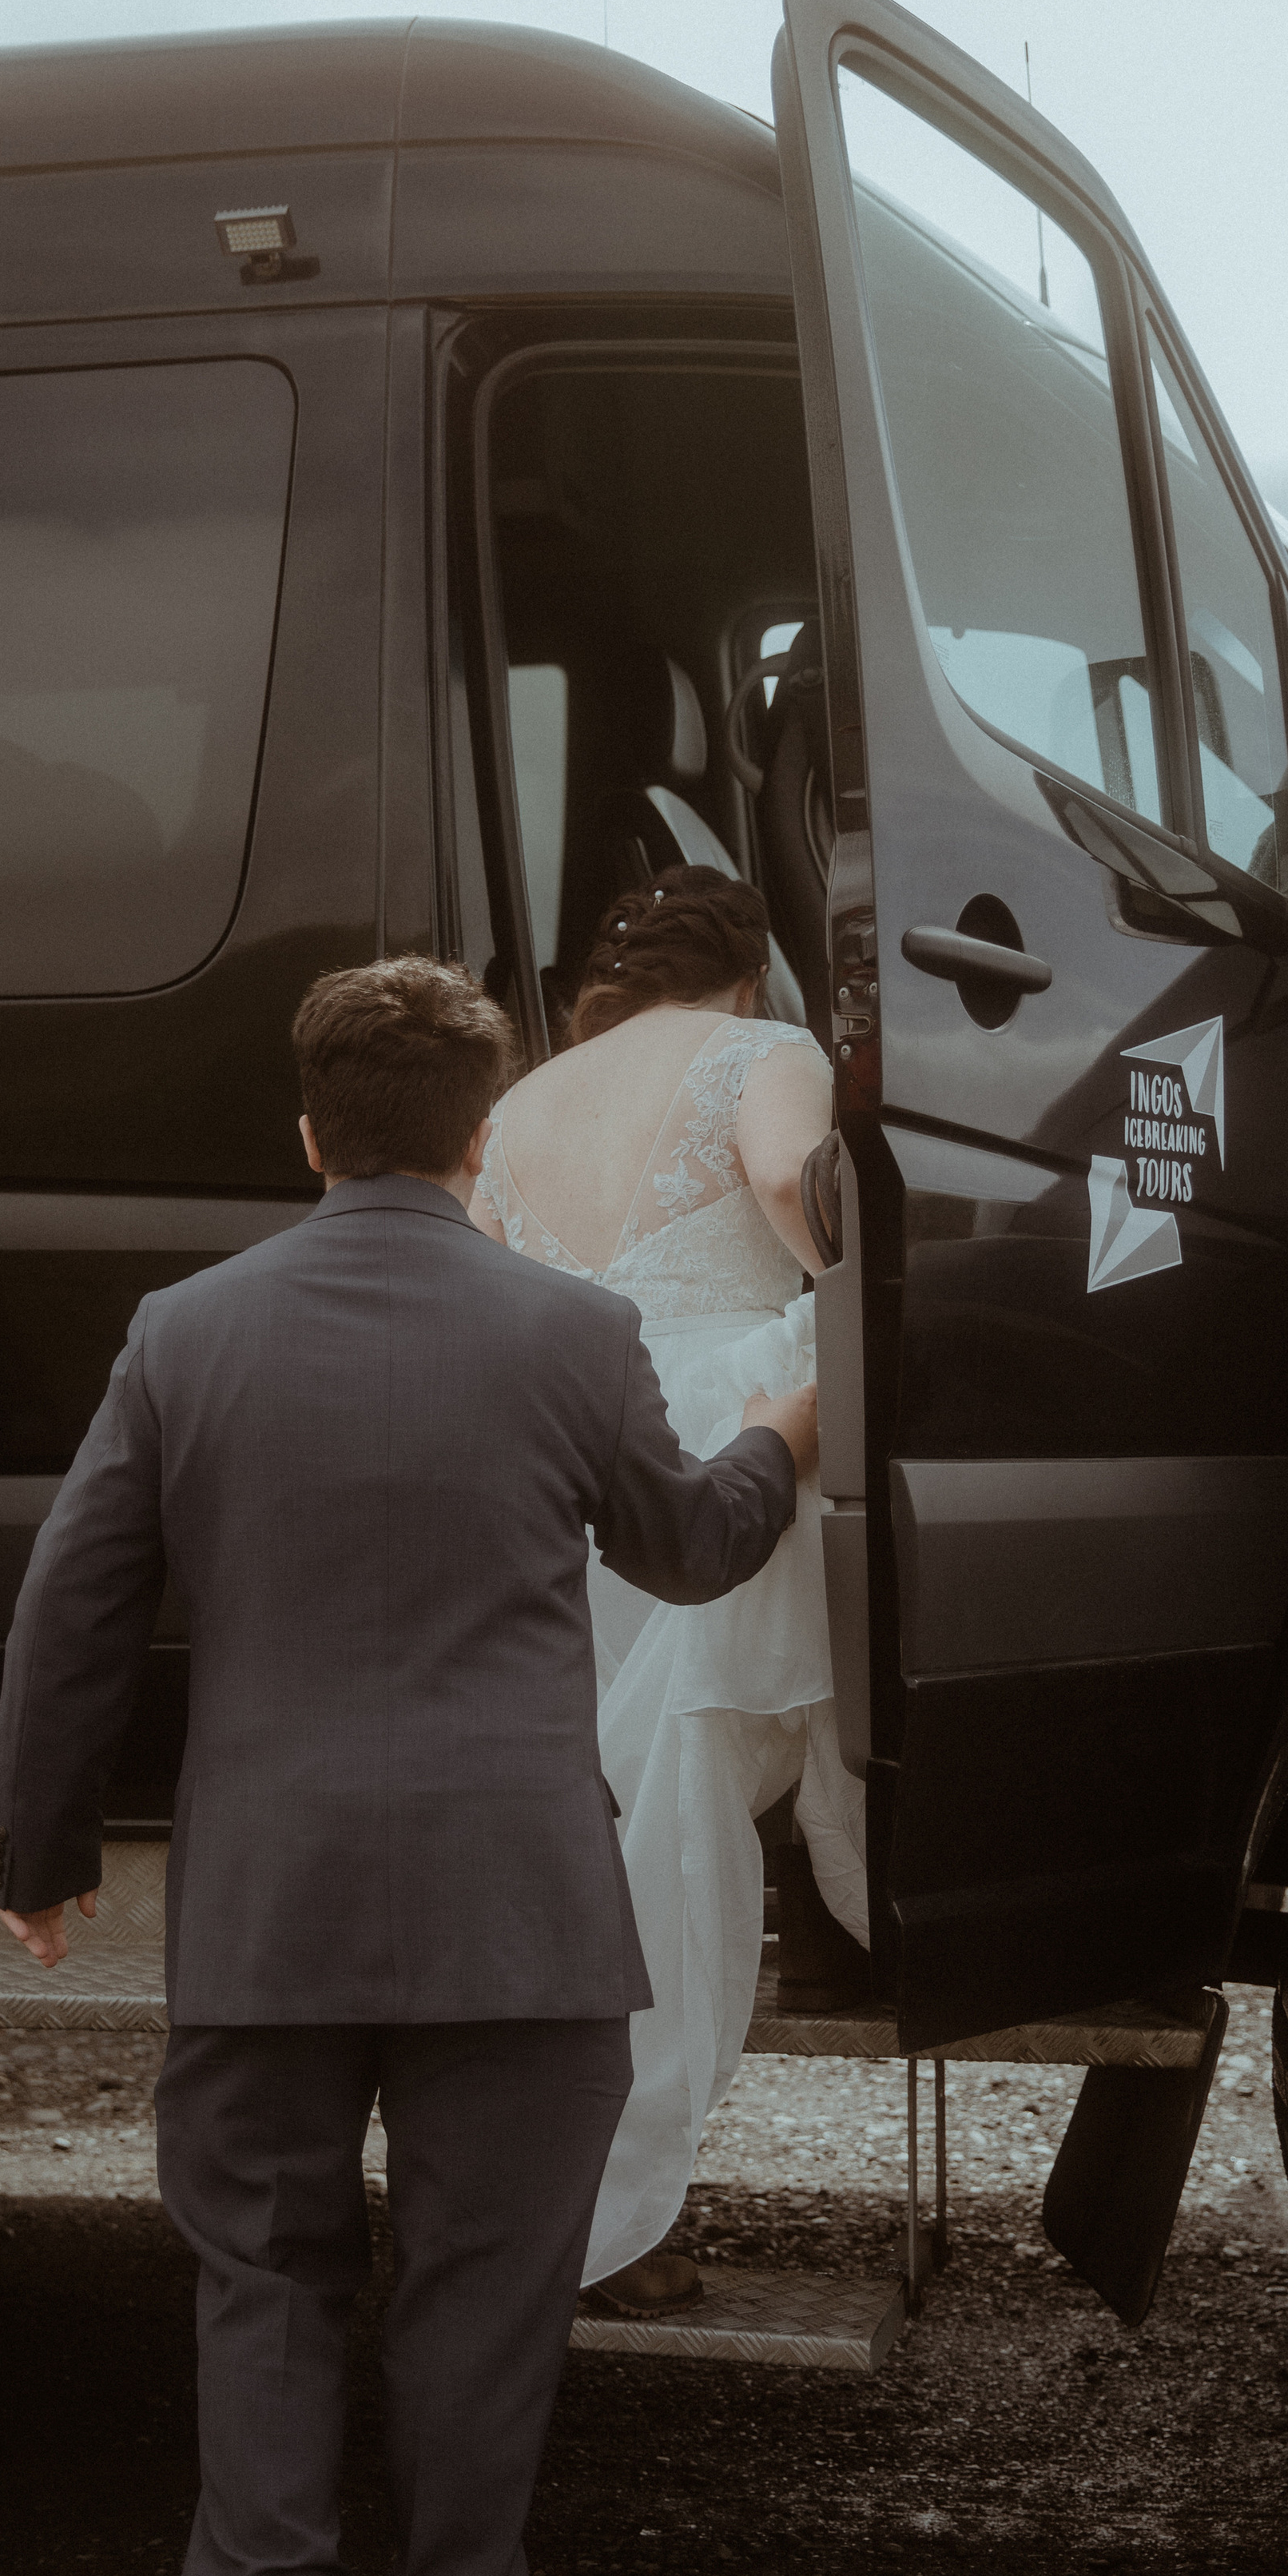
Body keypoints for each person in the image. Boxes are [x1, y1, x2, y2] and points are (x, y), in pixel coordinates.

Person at [0, 957, 817, 2576]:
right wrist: (780, 1440)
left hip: (269, 1915)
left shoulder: (184, 1332)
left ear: (306, 1133)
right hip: (513, 1919)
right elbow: (686, 1548)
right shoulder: (570, 1331)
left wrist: (44, 1852)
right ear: (476, 1137)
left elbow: (71, 1608)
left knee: (263, 2287)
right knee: (476, 2308)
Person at [471, 865, 870, 2318]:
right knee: (685, 1795)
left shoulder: (526, 1098)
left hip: (567, 1456)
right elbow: (780, 1177)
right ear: (750, 977)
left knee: (609, 1806)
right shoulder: (769, 1052)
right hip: (720, 1427)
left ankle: (544, 2180)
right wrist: (867, 1309)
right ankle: (609, 2213)